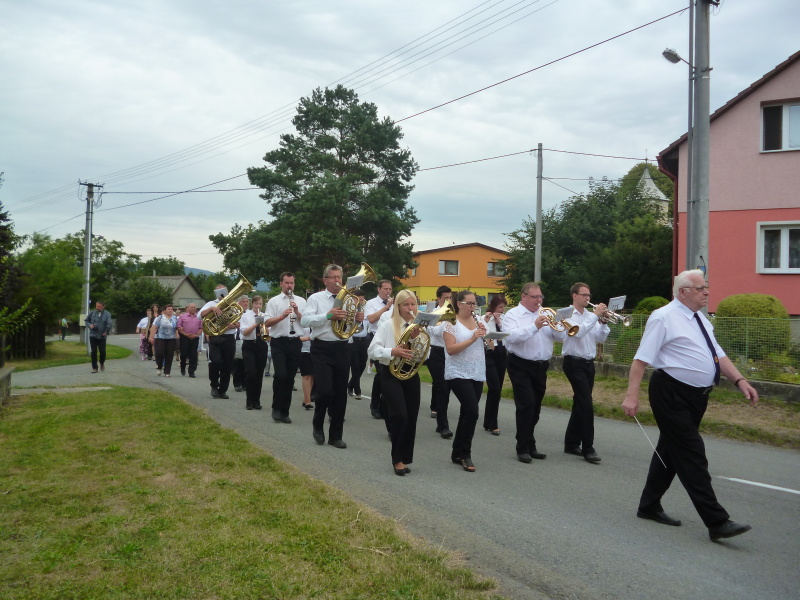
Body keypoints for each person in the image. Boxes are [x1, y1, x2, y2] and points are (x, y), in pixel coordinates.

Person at [622, 269, 759, 541]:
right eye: (700, 288)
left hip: (697, 397)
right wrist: (631, 396)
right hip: (670, 393)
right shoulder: (663, 317)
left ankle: (648, 505)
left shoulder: (702, 319)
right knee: (692, 453)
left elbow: (717, 353)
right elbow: (641, 360)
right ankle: (717, 521)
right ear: (683, 291)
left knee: (671, 452)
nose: (706, 292)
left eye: (705, 287)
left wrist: (739, 380)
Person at [301, 264, 363, 449]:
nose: (337, 281)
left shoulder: (350, 299)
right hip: (322, 348)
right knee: (325, 391)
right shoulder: (316, 298)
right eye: (333, 277)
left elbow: (354, 327)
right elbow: (305, 320)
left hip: (343, 347)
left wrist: (358, 319)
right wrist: (328, 315)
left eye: (339, 277)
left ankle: (336, 435)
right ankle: (318, 424)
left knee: (340, 394)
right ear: (325, 280)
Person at [503, 283, 565, 463]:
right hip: (520, 364)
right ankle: (522, 447)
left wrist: (559, 324)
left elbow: (560, 337)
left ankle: (530, 443)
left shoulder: (545, 314)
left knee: (536, 407)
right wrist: (534, 326)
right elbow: (511, 337)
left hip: (541, 366)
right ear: (524, 297)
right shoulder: (512, 315)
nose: (539, 300)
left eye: (540, 297)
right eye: (535, 297)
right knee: (526, 405)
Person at [368, 289, 425, 476]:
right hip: (390, 373)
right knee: (400, 415)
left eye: (413, 304)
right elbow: (372, 350)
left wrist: (417, 344)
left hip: (410, 373)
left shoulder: (419, 327)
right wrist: (392, 351)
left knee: (412, 416)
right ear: (398, 307)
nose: (410, 308)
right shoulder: (387, 324)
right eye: (406, 305)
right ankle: (397, 459)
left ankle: (405, 458)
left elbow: (426, 355)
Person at [561, 283, 609, 464]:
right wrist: (596, 317)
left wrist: (603, 323)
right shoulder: (565, 314)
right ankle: (588, 448)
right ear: (574, 295)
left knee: (580, 402)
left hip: (589, 364)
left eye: (589, 295)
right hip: (573, 362)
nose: (588, 299)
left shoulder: (590, 315)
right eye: (584, 295)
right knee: (587, 404)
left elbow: (600, 338)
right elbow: (577, 334)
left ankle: (571, 443)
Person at [443, 290, 486, 472]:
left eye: (474, 303)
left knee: (467, 413)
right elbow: (451, 349)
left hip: (477, 371)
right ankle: (465, 454)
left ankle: (456, 452)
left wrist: (486, 336)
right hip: (457, 372)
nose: (472, 307)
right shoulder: (449, 323)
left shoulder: (478, 321)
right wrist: (472, 337)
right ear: (459, 304)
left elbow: (489, 345)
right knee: (472, 411)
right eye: (469, 303)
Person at [264, 272, 306, 423]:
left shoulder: (301, 301)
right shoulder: (273, 301)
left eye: (292, 283)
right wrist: (281, 316)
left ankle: (285, 411)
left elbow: (306, 322)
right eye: (287, 283)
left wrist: (297, 312)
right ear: (281, 283)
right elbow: (267, 323)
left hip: (295, 341)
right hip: (278, 341)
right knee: (280, 375)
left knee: (289, 378)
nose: (289, 286)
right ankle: (276, 408)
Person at [200, 284, 238, 399]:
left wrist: (234, 324)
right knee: (215, 362)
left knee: (228, 364)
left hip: (229, 337)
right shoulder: (211, 303)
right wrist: (212, 309)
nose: (222, 294)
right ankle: (214, 385)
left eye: (223, 291)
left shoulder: (232, 304)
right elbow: (200, 315)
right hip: (215, 337)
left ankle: (222, 390)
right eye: (219, 291)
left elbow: (239, 320)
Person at [364, 279, 394, 419]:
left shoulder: (395, 304)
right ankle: (375, 405)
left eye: (389, 289)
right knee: (382, 373)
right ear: (379, 289)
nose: (388, 291)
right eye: (385, 289)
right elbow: (371, 319)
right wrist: (386, 307)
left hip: (391, 340)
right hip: (375, 338)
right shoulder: (371, 303)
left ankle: (385, 403)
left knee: (386, 374)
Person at [426, 285, 453, 438]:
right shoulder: (434, 314)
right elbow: (436, 332)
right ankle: (443, 425)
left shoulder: (453, 313)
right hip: (436, 352)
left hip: (450, 352)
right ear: (438, 299)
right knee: (442, 386)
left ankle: (440, 422)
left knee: (447, 388)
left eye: (450, 298)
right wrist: (446, 319)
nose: (449, 301)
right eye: (445, 298)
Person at [482, 294, 508, 436]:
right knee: (494, 386)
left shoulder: (503, 318)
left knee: (497, 391)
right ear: (493, 306)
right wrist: (487, 320)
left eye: (503, 307)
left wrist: (499, 322)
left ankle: (489, 421)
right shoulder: (485, 317)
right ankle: (493, 424)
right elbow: (481, 331)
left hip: (501, 353)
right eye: (500, 307)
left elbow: (508, 332)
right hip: (489, 353)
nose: (502, 310)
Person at [239, 295, 269, 410]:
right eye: (256, 304)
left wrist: (265, 329)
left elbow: (267, 337)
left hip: (261, 345)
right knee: (251, 372)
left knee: (259, 374)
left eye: (260, 304)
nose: (258, 306)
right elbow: (245, 333)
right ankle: (249, 401)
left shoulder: (265, 316)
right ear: (252, 304)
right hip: (249, 345)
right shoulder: (246, 316)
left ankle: (256, 401)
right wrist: (256, 324)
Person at [347, 289, 370, 399]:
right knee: (355, 366)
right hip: (353, 340)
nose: (360, 302)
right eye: (358, 300)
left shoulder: (366, 309)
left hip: (363, 340)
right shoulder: (350, 309)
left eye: (362, 300)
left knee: (362, 365)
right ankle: (357, 390)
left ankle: (350, 385)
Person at [149, 304, 179, 376]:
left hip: (171, 338)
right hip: (160, 338)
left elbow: (177, 327)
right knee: (160, 353)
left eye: (171, 309)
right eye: (168, 309)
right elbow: (154, 327)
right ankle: (159, 367)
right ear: (164, 311)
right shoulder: (160, 318)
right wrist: (151, 337)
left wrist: (177, 334)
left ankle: (167, 372)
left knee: (169, 354)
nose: (170, 310)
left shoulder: (175, 318)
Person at [85, 300, 112, 373]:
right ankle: (95, 368)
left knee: (102, 351)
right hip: (93, 335)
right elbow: (86, 320)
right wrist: (90, 325)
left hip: (102, 336)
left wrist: (106, 331)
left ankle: (102, 362)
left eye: (99, 306)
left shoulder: (107, 314)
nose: (97, 308)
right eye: (97, 306)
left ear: (103, 306)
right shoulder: (92, 313)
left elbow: (109, 324)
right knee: (93, 351)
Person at [177, 303, 202, 377]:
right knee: (184, 354)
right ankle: (183, 368)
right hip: (185, 337)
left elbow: (201, 328)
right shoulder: (183, 316)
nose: (193, 308)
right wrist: (185, 334)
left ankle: (191, 371)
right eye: (192, 307)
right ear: (188, 308)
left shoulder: (199, 317)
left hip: (195, 338)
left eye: (194, 307)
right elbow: (179, 327)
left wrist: (196, 335)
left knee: (193, 355)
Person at [232, 296, 249, 392]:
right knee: (238, 363)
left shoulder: (250, 314)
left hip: (246, 339)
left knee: (246, 363)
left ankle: (245, 383)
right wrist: (236, 324)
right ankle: (237, 383)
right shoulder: (235, 313)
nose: (245, 303)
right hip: (237, 339)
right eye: (243, 301)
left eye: (247, 301)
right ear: (239, 303)